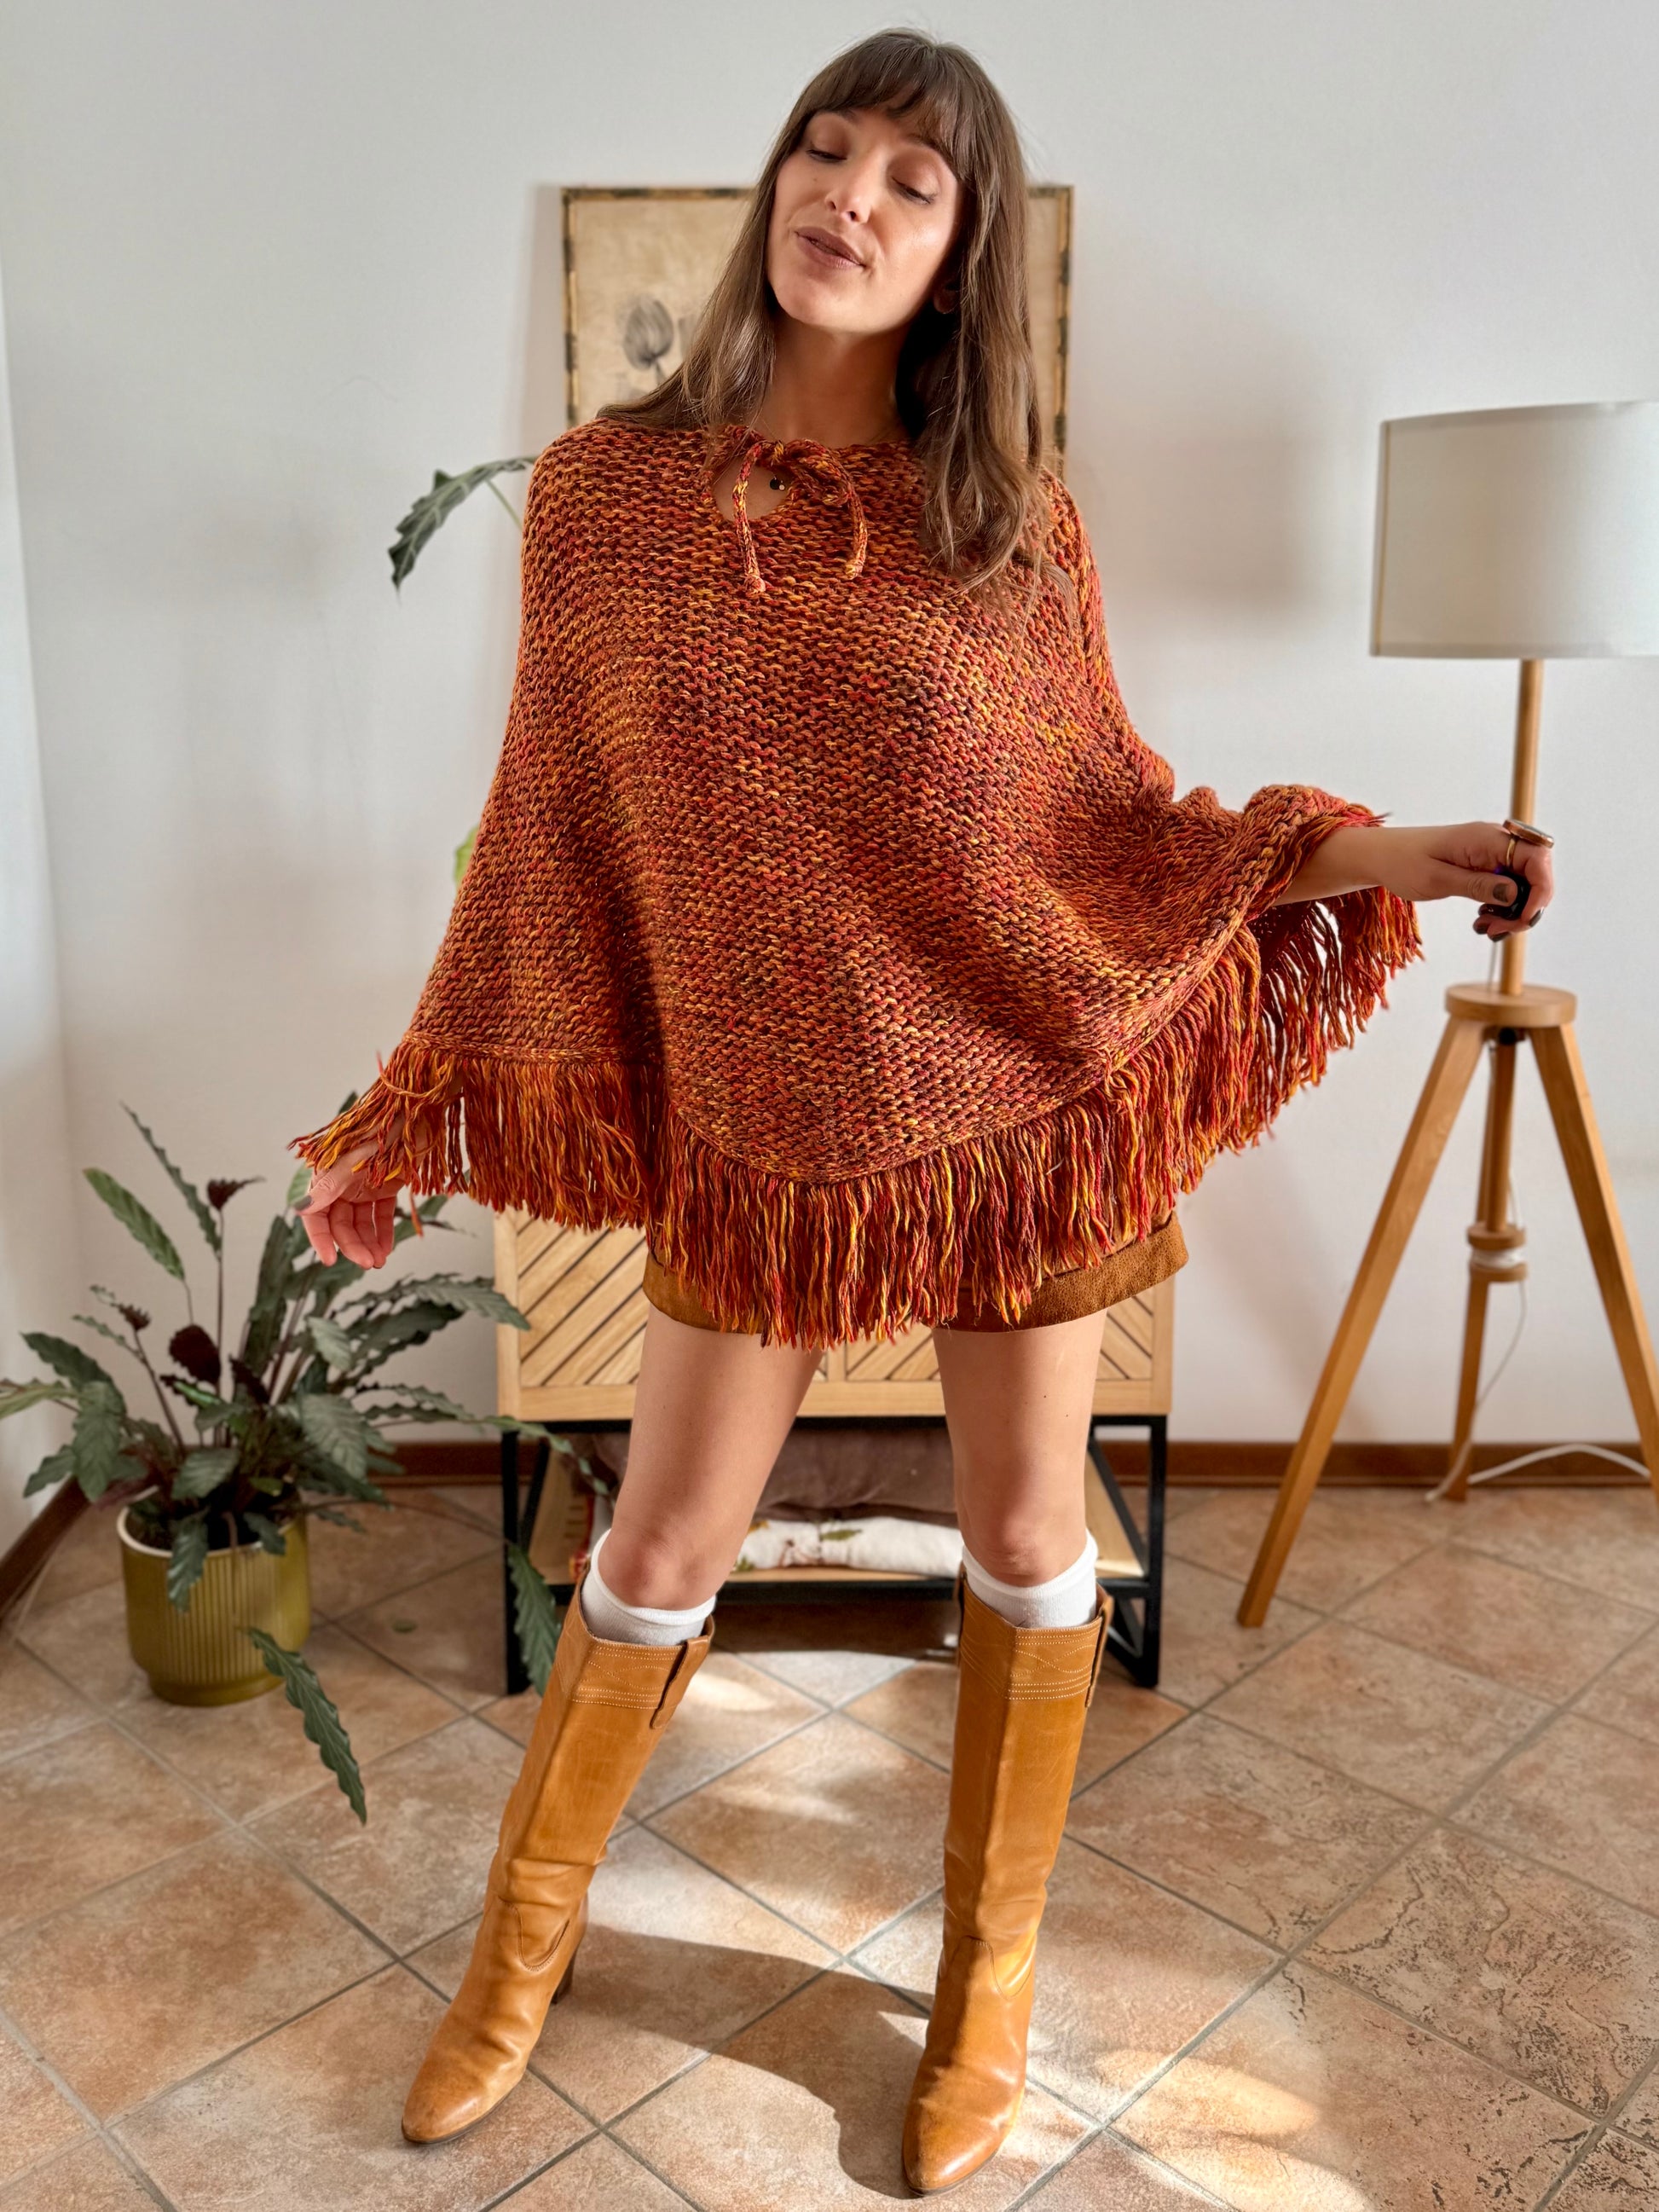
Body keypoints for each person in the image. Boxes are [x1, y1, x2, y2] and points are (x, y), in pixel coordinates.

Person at [290, 29, 1554, 2195]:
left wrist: (1387, 854)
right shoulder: (601, 505)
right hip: (765, 1140)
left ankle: (985, 1994)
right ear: (774, 182)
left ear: (959, 258)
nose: (849, 196)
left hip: (1017, 1117)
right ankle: (513, 1963)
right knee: (656, 1551)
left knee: (1032, 1542)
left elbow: (1118, 836)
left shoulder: (1010, 529)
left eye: (912, 180)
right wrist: (413, 1104)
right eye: (825, 145)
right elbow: (549, 840)